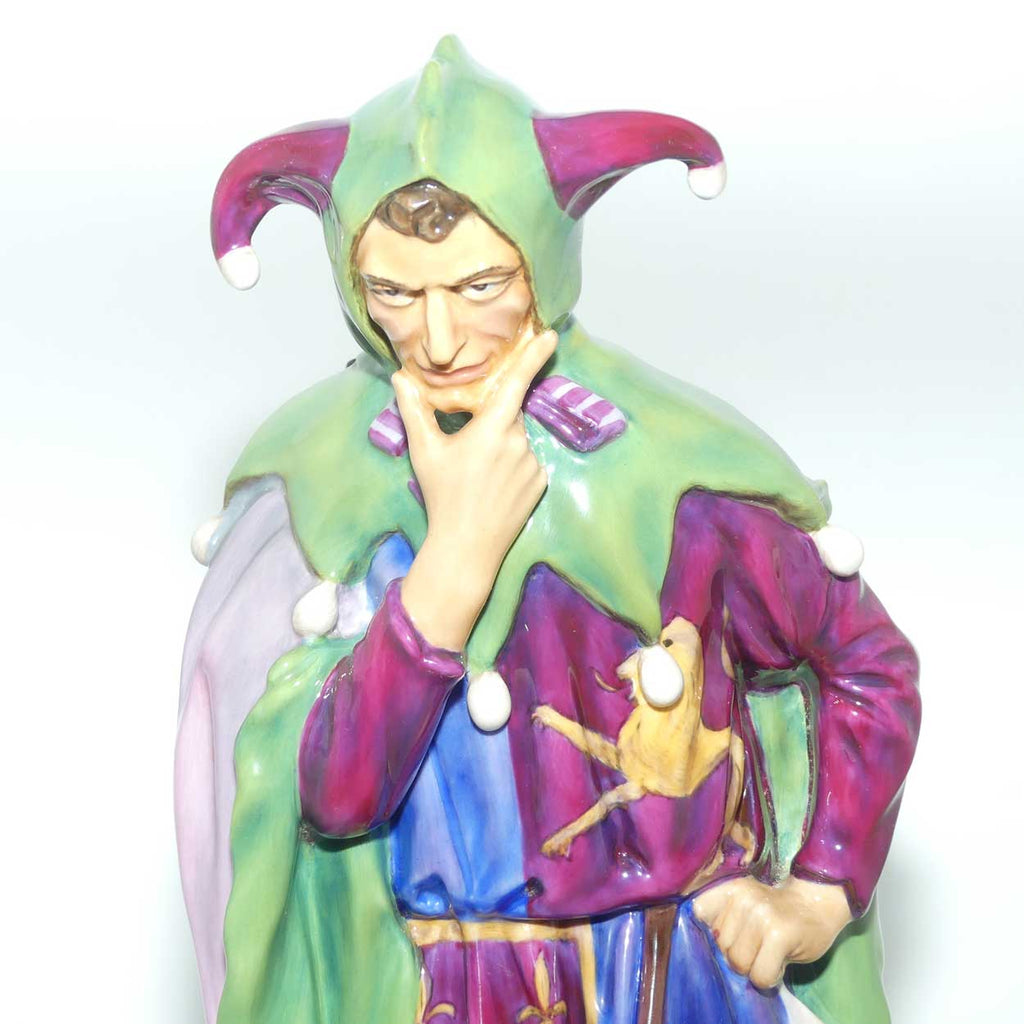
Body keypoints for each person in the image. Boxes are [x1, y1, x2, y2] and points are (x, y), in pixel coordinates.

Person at [176, 37, 920, 1024]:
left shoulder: (675, 479)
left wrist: (821, 886)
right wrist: (453, 562)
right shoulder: (327, 493)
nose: (440, 340)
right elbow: (334, 794)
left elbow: (866, 661)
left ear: (542, 259)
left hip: (675, 981)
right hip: (450, 992)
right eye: (396, 294)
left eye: (480, 285)